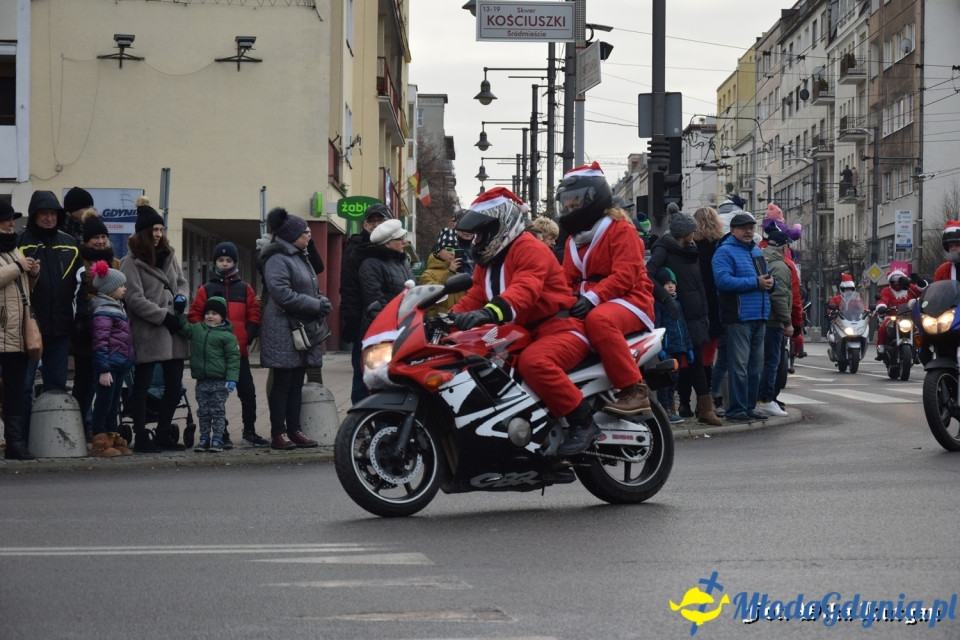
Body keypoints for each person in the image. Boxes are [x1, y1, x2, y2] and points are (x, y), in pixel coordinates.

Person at [449, 187, 593, 456]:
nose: (477, 239)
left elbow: (525, 289)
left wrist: (488, 313)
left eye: (481, 232)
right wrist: (446, 321)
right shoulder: (488, 262)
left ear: (500, 224)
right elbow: (475, 296)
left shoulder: (530, 248)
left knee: (534, 362)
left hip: (560, 327)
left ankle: (582, 422)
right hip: (522, 332)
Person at [556, 163, 656, 447]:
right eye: (566, 201)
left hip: (629, 299)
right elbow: (565, 280)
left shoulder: (620, 229)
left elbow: (627, 274)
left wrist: (591, 298)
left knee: (600, 320)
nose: (569, 206)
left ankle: (634, 389)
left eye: (575, 200)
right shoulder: (573, 241)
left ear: (593, 197)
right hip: (591, 302)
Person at [119, 196, 189, 453]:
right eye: (154, 230)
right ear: (144, 232)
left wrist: (182, 297)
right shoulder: (130, 262)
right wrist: (163, 316)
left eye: (161, 229)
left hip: (173, 330)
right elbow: (134, 299)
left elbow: (181, 282)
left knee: (174, 384)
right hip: (149, 331)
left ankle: (162, 432)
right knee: (142, 386)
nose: (159, 234)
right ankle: (141, 435)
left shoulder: (169, 255)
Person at [259, 207, 331, 450]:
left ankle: (294, 430)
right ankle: (279, 433)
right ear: (291, 235)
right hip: (283, 328)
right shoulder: (277, 258)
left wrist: (321, 300)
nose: (309, 235)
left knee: (296, 381)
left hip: (300, 326)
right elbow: (282, 294)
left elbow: (310, 286)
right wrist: (315, 305)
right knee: (282, 382)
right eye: (305, 232)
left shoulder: (300, 255)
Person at [16, 190, 86, 437]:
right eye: (43, 213)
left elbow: (81, 286)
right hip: (28, 329)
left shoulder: (71, 244)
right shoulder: (19, 243)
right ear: (34, 215)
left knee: (56, 388)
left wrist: (79, 319)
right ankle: (21, 438)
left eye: (52, 213)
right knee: (23, 387)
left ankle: (50, 438)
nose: (48, 218)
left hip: (61, 329)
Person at [645, 210, 722, 426]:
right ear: (683, 233)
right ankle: (667, 408)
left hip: (696, 316)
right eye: (691, 230)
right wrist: (666, 299)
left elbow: (699, 286)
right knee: (672, 363)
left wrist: (705, 313)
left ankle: (705, 409)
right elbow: (647, 275)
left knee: (697, 363)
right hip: (676, 316)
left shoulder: (691, 250)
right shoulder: (664, 249)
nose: (695, 233)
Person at [187, 242, 267, 448]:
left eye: (228, 260)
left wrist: (248, 336)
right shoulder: (206, 289)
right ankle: (221, 433)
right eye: (221, 260)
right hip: (214, 357)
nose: (224, 264)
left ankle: (249, 431)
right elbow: (195, 315)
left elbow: (254, 316)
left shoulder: (245, 288)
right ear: (215, 263)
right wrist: (206, 338)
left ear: (234, 262)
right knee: (215, 400)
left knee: (247, 394)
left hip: (238, 354)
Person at [712, 212, 774, 423]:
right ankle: (736, 410)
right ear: (733, 230)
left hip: (760, 314)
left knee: (755, 367)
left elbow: (765, 278)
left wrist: (771, 284)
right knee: (739, 366)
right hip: (738, 317)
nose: (748, 231)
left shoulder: (756, 251)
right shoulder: (724, 252)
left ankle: (748, 407)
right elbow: (723, 282)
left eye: (751, 227)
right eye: (743, 228)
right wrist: (755, 283)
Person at [0, 199, 40, 460]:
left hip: (15, 333)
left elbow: (24, 292)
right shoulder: (14, 256)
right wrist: (18, 268)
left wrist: (32, 273)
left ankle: (14, 443)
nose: (10, 223)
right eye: (5, 219)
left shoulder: (14, 248)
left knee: (15, 389)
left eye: (11, 218)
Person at [339, 203, 391, 404]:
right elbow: (348, 287)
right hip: (363, 320)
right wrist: (351, 321)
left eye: (380, 220)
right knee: (362, 373)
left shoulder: (394, 246)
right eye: (372, 221)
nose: (376, 224)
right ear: (365, 224)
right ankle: (360, 424)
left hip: (389, 321)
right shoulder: (355, 248)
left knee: (384, 374)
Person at [73, 210, 118, 442]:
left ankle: (104, 426)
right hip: (87, 331)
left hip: (111, 333)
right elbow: (79, 293)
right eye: (95, 237)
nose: (101, 241)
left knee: (108, 382)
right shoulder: (79, 261)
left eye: (104, 236)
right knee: (85, 381)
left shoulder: (115, 261)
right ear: (86, 240)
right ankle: (83, 424)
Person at [178, 296, 240, 453]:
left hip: (220, 382)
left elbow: (233, 359)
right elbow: (183, 327)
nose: (210, 316)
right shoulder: (197, 329)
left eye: (215, 313)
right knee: (203, 411)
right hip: (202, 381)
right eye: (207, 313)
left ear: (222, 317)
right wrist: (179, 312)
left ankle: (218, 438)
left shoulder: (227, 336)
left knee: (217, 411)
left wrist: (232, 379)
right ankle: (204, 437)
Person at [88, 260, 135, 457]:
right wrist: (104, 369)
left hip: (119, 365)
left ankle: (112, 437)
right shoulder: (103, 310)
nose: (124, 289)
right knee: (104, 404)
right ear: (110, 290)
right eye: (121, 286)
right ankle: (100, 440)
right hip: (109, 367)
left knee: (115, 404)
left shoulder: (117, 306)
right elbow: (100, 343)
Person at [756, 227, 794, 417]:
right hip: (773, 321)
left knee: (760, 361)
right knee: (772, 362)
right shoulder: (780, 266)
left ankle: (760, 398)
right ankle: (765, 399)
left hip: (763, 318)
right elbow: (779, 297)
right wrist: (787, 322)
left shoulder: (763, 259)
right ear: (783, 247)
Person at [692, 206, 726, 417]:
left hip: (695, 302)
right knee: (710, 355)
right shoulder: (720, 246)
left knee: (695, 355)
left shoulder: (690, 245)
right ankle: (708, 402)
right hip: (715, 303)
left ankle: (694, 400)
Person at [358, 218, 415, 337]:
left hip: (403, 327)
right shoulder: (371, 264)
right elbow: (375, 300)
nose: (404, 242)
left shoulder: (401, 262)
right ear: (388, 243)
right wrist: (393, 322)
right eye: (400, 239)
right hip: (383, 331)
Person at [651, 267, 693, 423]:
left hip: (679, 348)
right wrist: (660, 347)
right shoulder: (659, 304)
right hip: (667, 349)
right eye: (666, 283)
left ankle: (669, 409)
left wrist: (688, 347)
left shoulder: (678, 303)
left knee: (674, 380)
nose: (670, 286)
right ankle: (664, 410)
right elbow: (657, 325)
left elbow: (683, 327)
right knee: (665, 382)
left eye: (672, 283)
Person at [875, 268, 924, 359]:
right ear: (890, 281)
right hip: (893, 316)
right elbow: (883, 299)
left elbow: (922, 291)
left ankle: (921, 349)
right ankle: (881, 347)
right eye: (894, 280)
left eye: (899, 280)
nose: (897, 283)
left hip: (910, 316)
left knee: (922, 327)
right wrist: (882, 307)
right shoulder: (887, 290)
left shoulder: (910, 288)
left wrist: (919, 281)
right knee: (883, 327)